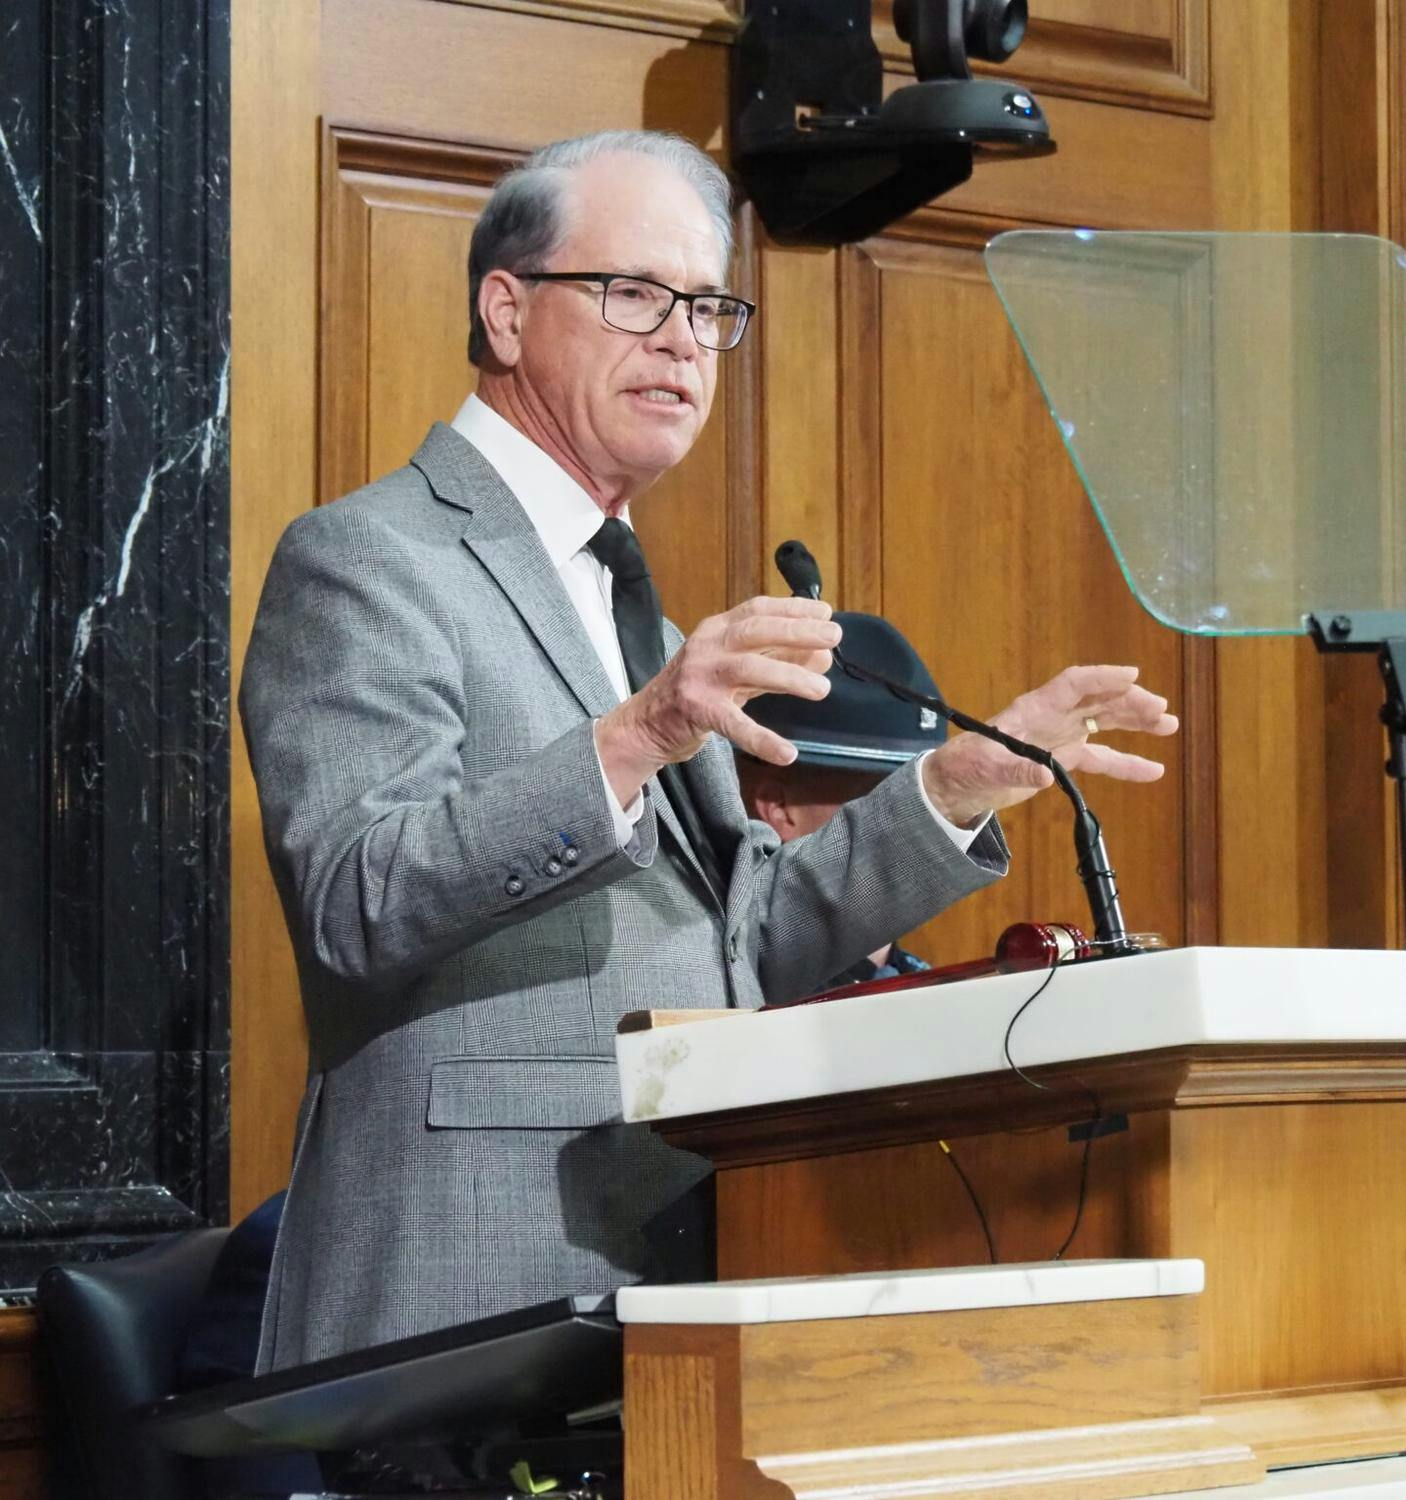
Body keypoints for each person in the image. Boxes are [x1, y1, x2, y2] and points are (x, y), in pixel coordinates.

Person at [239, 128, 1177, 1372]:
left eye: (706, 307)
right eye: (634, 293)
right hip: (467, 1284)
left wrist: (951, 788)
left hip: (682, 1264)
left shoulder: (641, 620)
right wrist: (636, 736)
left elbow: (748, 947)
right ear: (506, 312)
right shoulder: (370, 558)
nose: (683, 341)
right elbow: (355, 900)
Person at [737, 611, 950, 987]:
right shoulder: (734, 993)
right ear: (780, 807)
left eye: (921, 803)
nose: (915, 827)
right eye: (882, 804)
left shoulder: (936, 990)